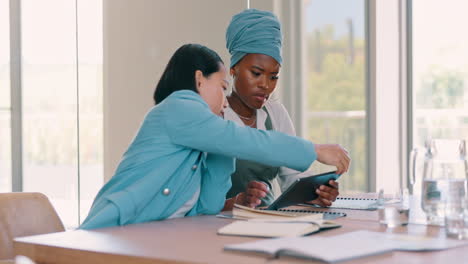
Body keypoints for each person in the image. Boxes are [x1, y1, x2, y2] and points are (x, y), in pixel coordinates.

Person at [80, 43, 348, 230]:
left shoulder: (199, 132)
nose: (224, 100)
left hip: (147, 233)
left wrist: (222, 148)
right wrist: (313, 150)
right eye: (222, 87)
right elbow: (242, 139)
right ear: (199, 80)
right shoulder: (179, 107)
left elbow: (206, 206)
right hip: (114, 228)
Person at [222, 9, 350, 210]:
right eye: (256, 73)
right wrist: (314, 150)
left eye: (273, 76)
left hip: (265, 221)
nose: (265, 85)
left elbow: (291, 177)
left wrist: (315, 193)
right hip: (215, 223)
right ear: (233, 69)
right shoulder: (215, 114)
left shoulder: (275, 113)